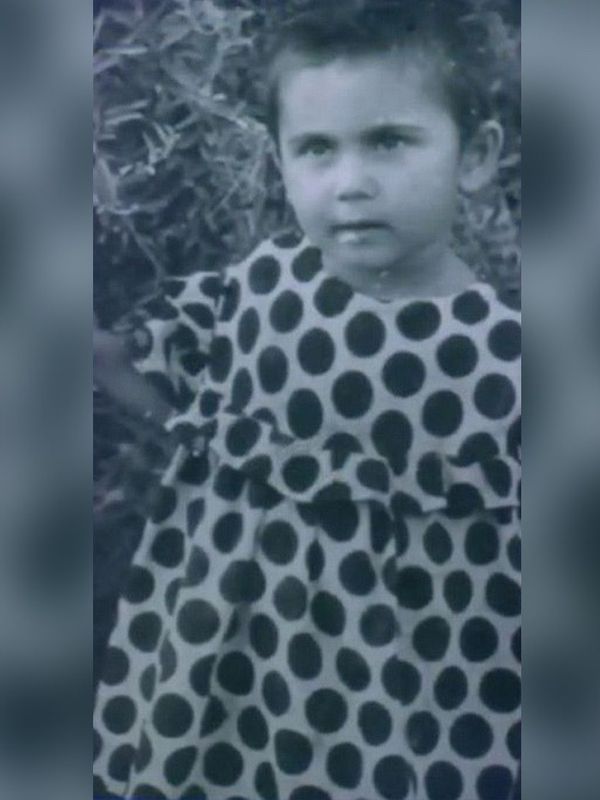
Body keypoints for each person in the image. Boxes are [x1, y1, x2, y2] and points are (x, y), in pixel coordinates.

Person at [94, 2, 521, 798]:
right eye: (317, 148)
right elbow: (138, 375)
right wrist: (198, 438)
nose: (351, 184)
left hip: (411, 697)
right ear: (280, 163)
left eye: (389, 141)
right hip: (233, 666)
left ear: (475, 157)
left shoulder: (502, 353)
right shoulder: (260, 287)